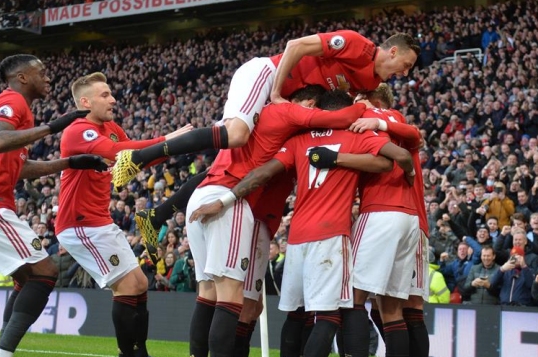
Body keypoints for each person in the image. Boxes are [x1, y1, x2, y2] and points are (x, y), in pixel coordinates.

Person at [190, 90, 412, 357]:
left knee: (297, 315)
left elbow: (262, 174)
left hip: (296, 239)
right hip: (331, 234)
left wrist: (224, 200)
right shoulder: (355, 134)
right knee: (330, 315)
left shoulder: (298, 139)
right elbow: (391, 161)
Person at [109, 31, 420, 189]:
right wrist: (274, 90)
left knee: (227, 162)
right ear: (392, 51)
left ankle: (158, 213)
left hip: (282, 99)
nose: (405, 74)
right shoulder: (355, 44)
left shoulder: (370, 81)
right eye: (406, 65)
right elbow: (295, 45)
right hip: (267, 74)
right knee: (236, 136)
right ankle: (137, 157)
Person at [0, 54, 107, 357]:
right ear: (22, 77)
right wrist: (53, 126)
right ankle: (2, 354)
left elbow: (20, 167)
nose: (48, 77)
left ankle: (3, 351)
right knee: (46, 272)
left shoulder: (19, 111)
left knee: (26, 278)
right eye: (41, 72)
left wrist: (71, 162)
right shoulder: (13, 101)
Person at [55, 72, 192, 357]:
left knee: (140, 283)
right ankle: (129, 353)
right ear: (85, 102)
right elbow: (117, 153)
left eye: (110, 93)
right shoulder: (78, 129)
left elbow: (136, 160)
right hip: (79, 222)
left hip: (98, 220)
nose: (113, 99)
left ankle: (137, 351)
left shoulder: (112, 127)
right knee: (129, 285)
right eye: (104, 95)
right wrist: (168, 138)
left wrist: (178, 145)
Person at [307, 84, 428, 357]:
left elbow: (401, 149)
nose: (354, 104)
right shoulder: (398, 122)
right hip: (413, 219)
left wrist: (335, 157)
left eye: (357, 98)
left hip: (380, 213)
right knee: (394, 308)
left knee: (352, 297)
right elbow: (413, 136)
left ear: (368, 99)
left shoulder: (371, 120)